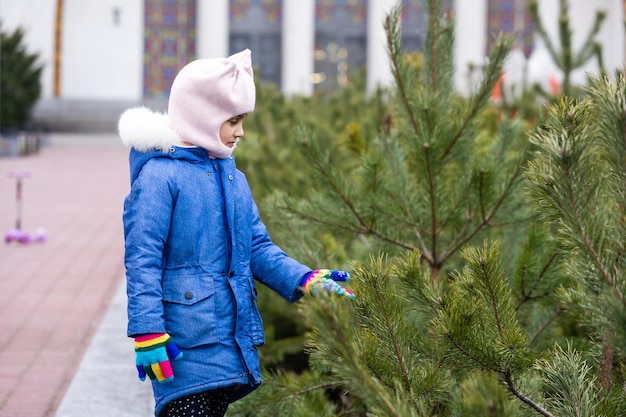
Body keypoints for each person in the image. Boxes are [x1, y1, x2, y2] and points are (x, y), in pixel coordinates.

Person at [118, 49, 354, 417]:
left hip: (228, 343)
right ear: (203, 116)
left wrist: (303, 278)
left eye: (242, 120)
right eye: (232, 121)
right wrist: (147, 331)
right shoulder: (159, 177)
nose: (240, 131)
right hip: (182, 346)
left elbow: (255, 246)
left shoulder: (232, 177)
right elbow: (142, 259)